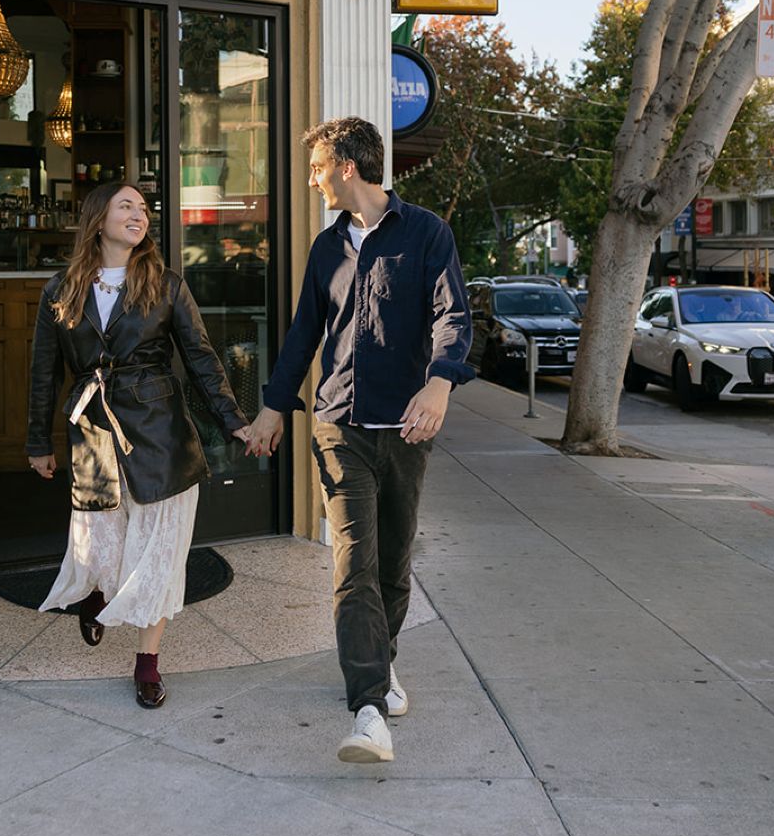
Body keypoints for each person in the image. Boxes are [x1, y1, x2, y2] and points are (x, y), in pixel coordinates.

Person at [243, 116, 472, 764]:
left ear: (346, 166)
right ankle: (367, 708)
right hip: (338, 427)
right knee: (351, 567)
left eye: (317, 167)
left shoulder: (426, 233)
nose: (312, 179)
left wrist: (439, 385)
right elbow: (300, 339)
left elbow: (452, 315)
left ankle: (381, 661)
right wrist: (270, 410)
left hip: (405, 430)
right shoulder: (326, 248)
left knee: (392, 565)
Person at [26, 182, 250, 709]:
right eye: (126, 206)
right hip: (93, 431)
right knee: (99, 543)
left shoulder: (166, 285)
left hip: (160, 433)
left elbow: (201, 359)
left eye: (144, 209)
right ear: (97, 218)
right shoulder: (60, 289)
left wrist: (234, 420)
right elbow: (42, 372)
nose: (139, 215)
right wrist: (38, 441)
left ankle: (147, 663)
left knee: (160, 551)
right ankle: (98, 593)